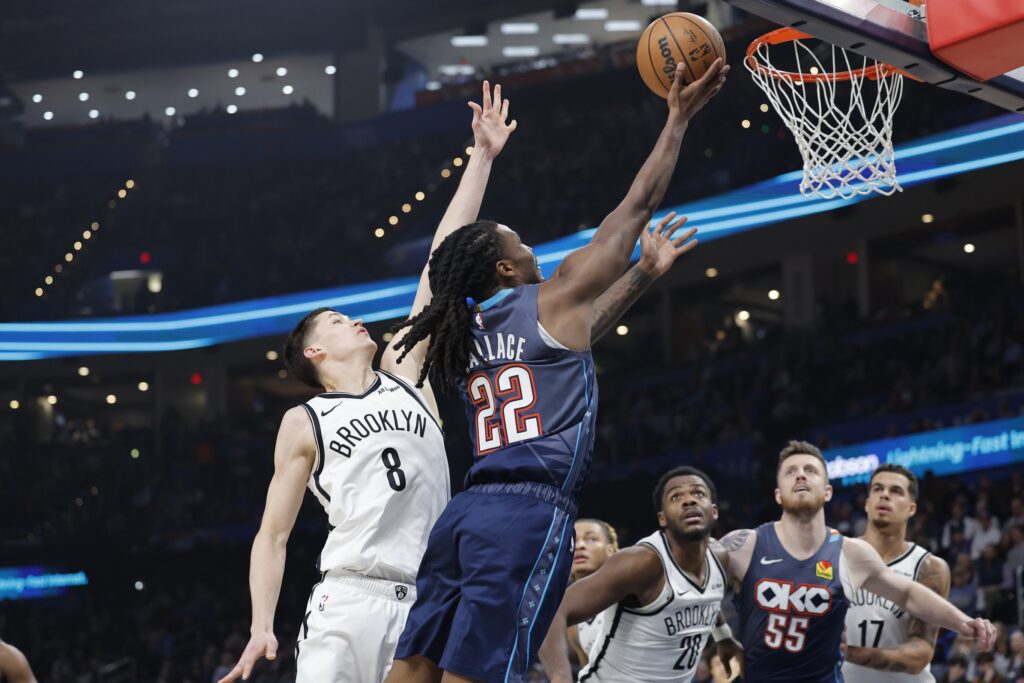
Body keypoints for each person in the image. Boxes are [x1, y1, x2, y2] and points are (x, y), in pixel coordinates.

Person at [386, 58, 729, 683]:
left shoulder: (463, 332)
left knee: (415, 662)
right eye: (519, 243)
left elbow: (575, 334)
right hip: (526, 511)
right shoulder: (552, 296)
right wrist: (677, 119)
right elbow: (636, 207)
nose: (532, 247)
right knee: (481, 667)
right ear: (505, 270)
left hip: (465, 512)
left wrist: (645, 275)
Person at [218, 80, 518, 683]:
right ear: (315, 350)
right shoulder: (304, 421)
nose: (355, 319)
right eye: (337, 319)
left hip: (428, 597)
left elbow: (441, 259)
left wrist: (481, 157)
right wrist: (260, 625)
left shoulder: (406, 373)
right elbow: (272, 535)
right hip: (350, 596)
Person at [712, 441, 996, 683]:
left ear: (827, 492)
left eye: (810, 471)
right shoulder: (745, 544)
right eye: (790, 472)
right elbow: (692, 580)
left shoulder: (849, 553)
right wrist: (723, 635)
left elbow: (908, 594)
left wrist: (963, 622)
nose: (800, 476)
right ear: (777, 493)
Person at [538, 466, 743, 683]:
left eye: (698, 493)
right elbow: (552, 609)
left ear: (714, 511)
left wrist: (724, 638)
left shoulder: (719, 558)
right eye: (676, 496)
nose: (689, 501)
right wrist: (560, 678)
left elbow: (707, 596)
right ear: (662, 518)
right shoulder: (644, 563)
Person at [842, 465, 951, 683]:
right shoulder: (836, 556)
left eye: (896, 491)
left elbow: (919, 653)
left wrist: (849, 653)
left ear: (911, 509)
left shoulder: (929, 568)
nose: (884, 494)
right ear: (867, 504)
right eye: (877, 489)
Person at [570, 519, 620, 666]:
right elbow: (588, 674)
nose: (580, 546)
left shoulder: (632, 593)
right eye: (572, 542)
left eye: (591, 539)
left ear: (610, 550)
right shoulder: (572, 618)